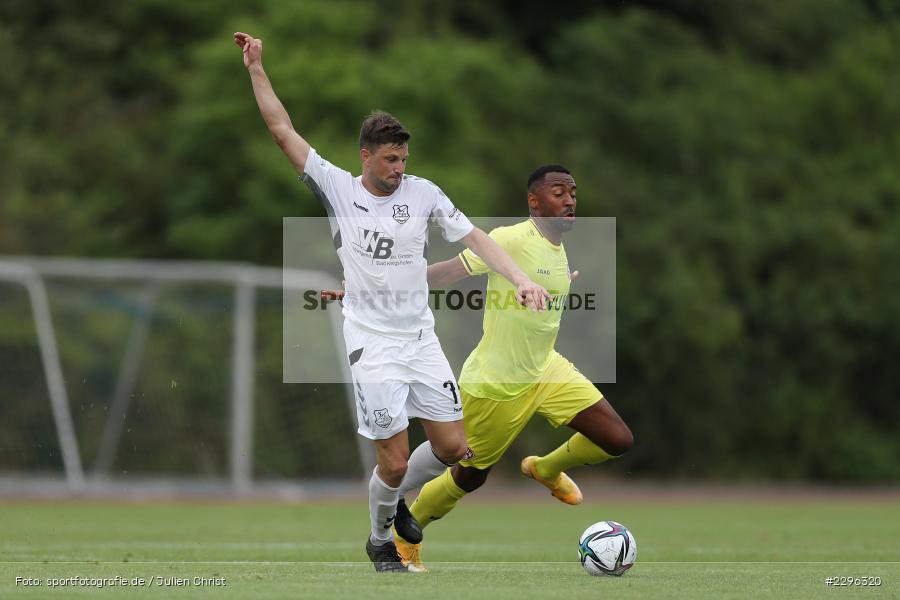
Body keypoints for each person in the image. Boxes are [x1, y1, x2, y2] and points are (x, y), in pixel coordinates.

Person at [234, 32, 549, 573]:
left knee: (454, 449)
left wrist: (519, 276)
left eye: (403, 159)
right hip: (371, 342)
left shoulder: (425, 192)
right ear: (365, 156)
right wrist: (257, 67)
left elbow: (474, 237)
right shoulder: (337, 188)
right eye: (389, 160)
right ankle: (380, 539)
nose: (399, 168)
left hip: (419, 336)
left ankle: (396, 500)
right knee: (395, 458)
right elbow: (281, 129)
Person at [395, 165, 634, 571]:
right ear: (534, 202)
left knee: (617, 438)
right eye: (558, 192)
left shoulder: (557, 248)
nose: (570, 199)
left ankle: (545, 468)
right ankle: (405, 532)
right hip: (496, 385)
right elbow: (450, 272)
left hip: (546, 370)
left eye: (573, 192)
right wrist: (388, 285)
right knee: (469, 477)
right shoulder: (510, 239)